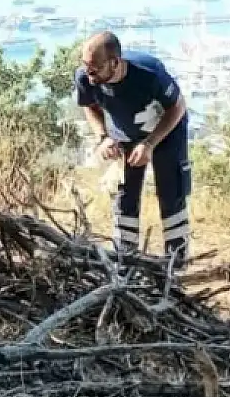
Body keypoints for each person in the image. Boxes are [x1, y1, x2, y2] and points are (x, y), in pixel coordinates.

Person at [74, 31, 193, 268]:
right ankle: (125, 260)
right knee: (125, 195)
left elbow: (178, 106)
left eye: (95, 67)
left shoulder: (149, 74)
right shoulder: (85, 77)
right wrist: (103, 137)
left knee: (171, 191)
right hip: (124, 135)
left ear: (115, 63)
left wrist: (149, 143)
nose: (89, 72)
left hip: (165, 131)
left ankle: (176, 262)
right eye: (86, 65)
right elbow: (89, 106)